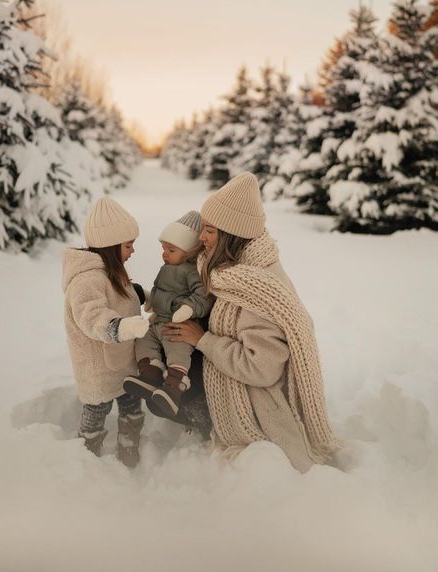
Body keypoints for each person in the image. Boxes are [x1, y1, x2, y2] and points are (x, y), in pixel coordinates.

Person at [163, 172, 341, 473]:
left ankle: (199, 417)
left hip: (257, 403)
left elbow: (262, 368)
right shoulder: (229, 270)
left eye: (209, 231)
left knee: (171, 366)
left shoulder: (257, 289)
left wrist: (202, 340)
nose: (201, 238)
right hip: (231, 373)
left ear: (232, 235)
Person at [62, 196, 149, 467]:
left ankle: (129, 445)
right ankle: (87, 454)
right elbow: (91, 315)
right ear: (111, 247)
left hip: (123, 361)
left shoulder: (111, 270)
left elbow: (124, 294)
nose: (132, 251)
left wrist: (147, 296)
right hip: (99, 366)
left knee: (132, 403)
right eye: (128, 245)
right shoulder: (86, 279)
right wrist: (119, 326)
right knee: (96, 411)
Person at [123, 211, 213, 417]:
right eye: (163, 248)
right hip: (158, 322)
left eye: (171, 249)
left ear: (189, 251)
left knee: (176, 347)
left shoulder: (191, 271)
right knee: (143, 340)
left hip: (178, 325)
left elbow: (203, 294)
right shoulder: (167, 267)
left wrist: (188, 308)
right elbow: (161, 292)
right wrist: (148, 298)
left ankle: (176, 383)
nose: (164, 254)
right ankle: (150, 374)